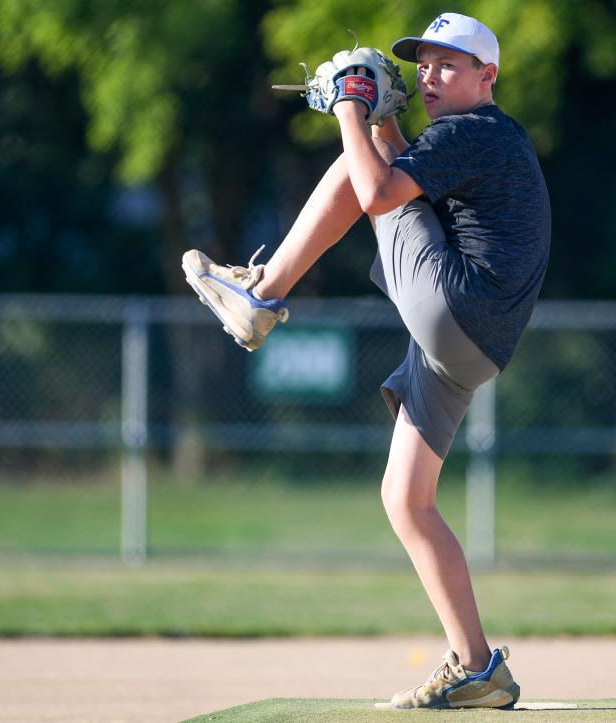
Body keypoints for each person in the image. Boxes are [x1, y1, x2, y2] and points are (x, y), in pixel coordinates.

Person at [182, 12, 550, 710]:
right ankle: (479, 666)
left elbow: (379, 192)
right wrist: (380, 120)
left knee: (359, 172)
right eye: (424, 65)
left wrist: (352, 106)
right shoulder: (480, 140)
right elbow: (408, 185)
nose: (430, 76)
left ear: (488, 76)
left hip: (457, 310)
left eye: (448, 64)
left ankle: (262, 295)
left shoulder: (475, 130)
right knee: (405, 499)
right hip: (473, 347)